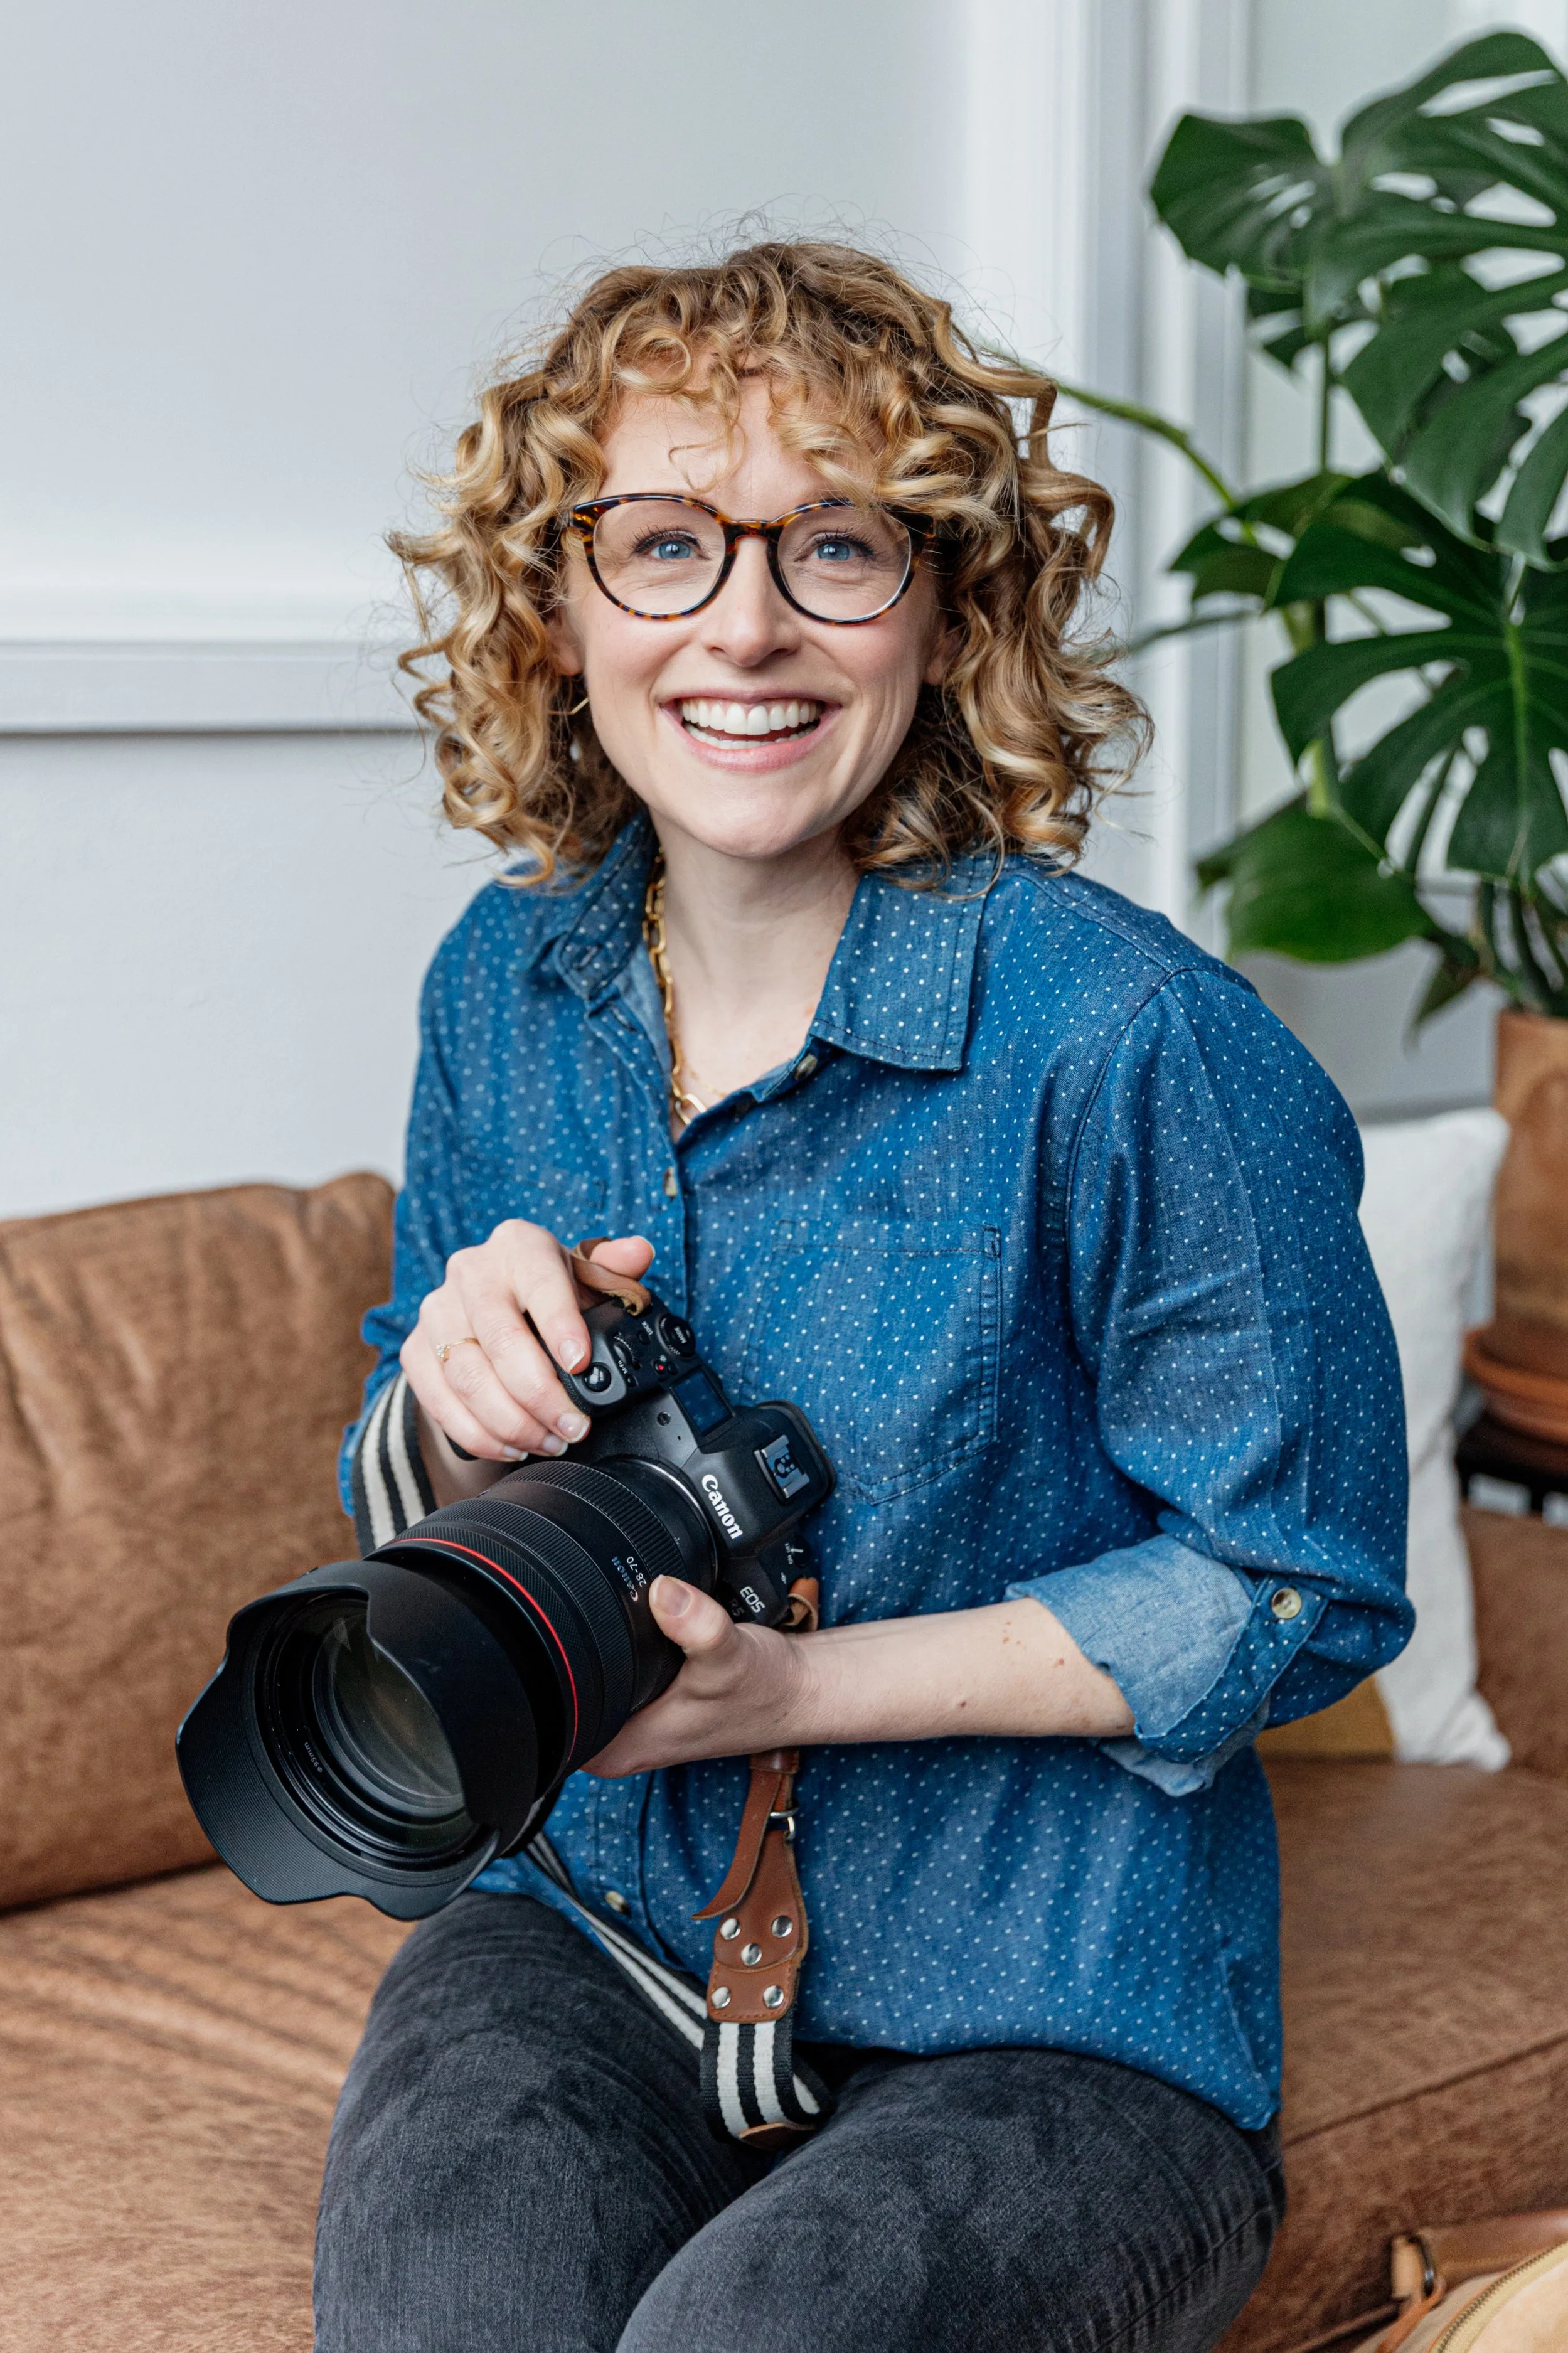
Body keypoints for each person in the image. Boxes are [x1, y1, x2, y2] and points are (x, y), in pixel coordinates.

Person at [314, 240, 1411, 2353]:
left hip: (1049, 2014)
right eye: (661, 544)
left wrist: (799, 1691)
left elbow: (1297, 1579)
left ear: (944, 608)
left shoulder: (1129, 1042)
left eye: (831, 544)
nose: (742, 621)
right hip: (587, 1924)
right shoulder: (506, 984)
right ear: (557, 613)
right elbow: (405, 1499)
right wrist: (453, 1399)